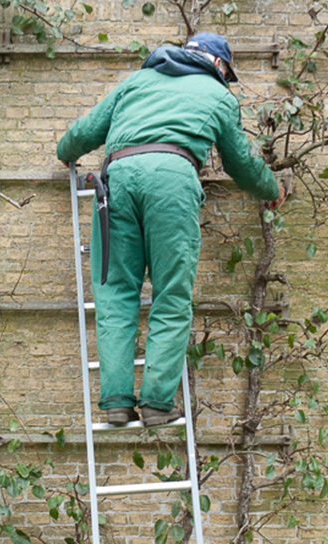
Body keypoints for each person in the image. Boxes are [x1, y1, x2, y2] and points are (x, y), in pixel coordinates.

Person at [57, 33, 285, 427]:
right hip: (173, 181)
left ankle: (115, 400)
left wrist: (65, 153)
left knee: (114, 294)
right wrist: (272, 188)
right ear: (219, 65)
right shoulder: (218, 97)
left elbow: (84, 132)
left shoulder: (136, 82)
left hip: (116, 182)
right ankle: (157, 404)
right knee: (171, 294)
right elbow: (241, 164)